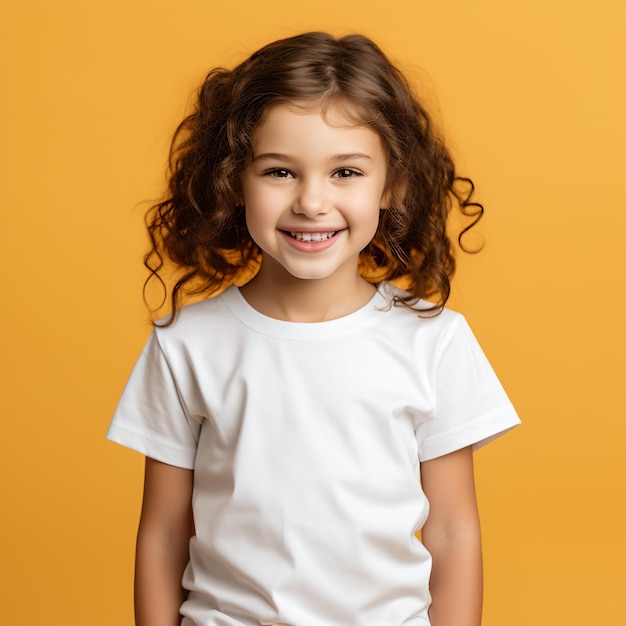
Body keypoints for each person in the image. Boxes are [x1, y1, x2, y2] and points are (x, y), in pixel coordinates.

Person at [107, 31, 520, 626]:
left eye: (346, 171)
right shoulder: (186, 346)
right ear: (233, 182)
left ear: (392, 184)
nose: (311, 202)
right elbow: (164, 536)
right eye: (279, 172)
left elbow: (454, 532)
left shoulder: (435, 342)